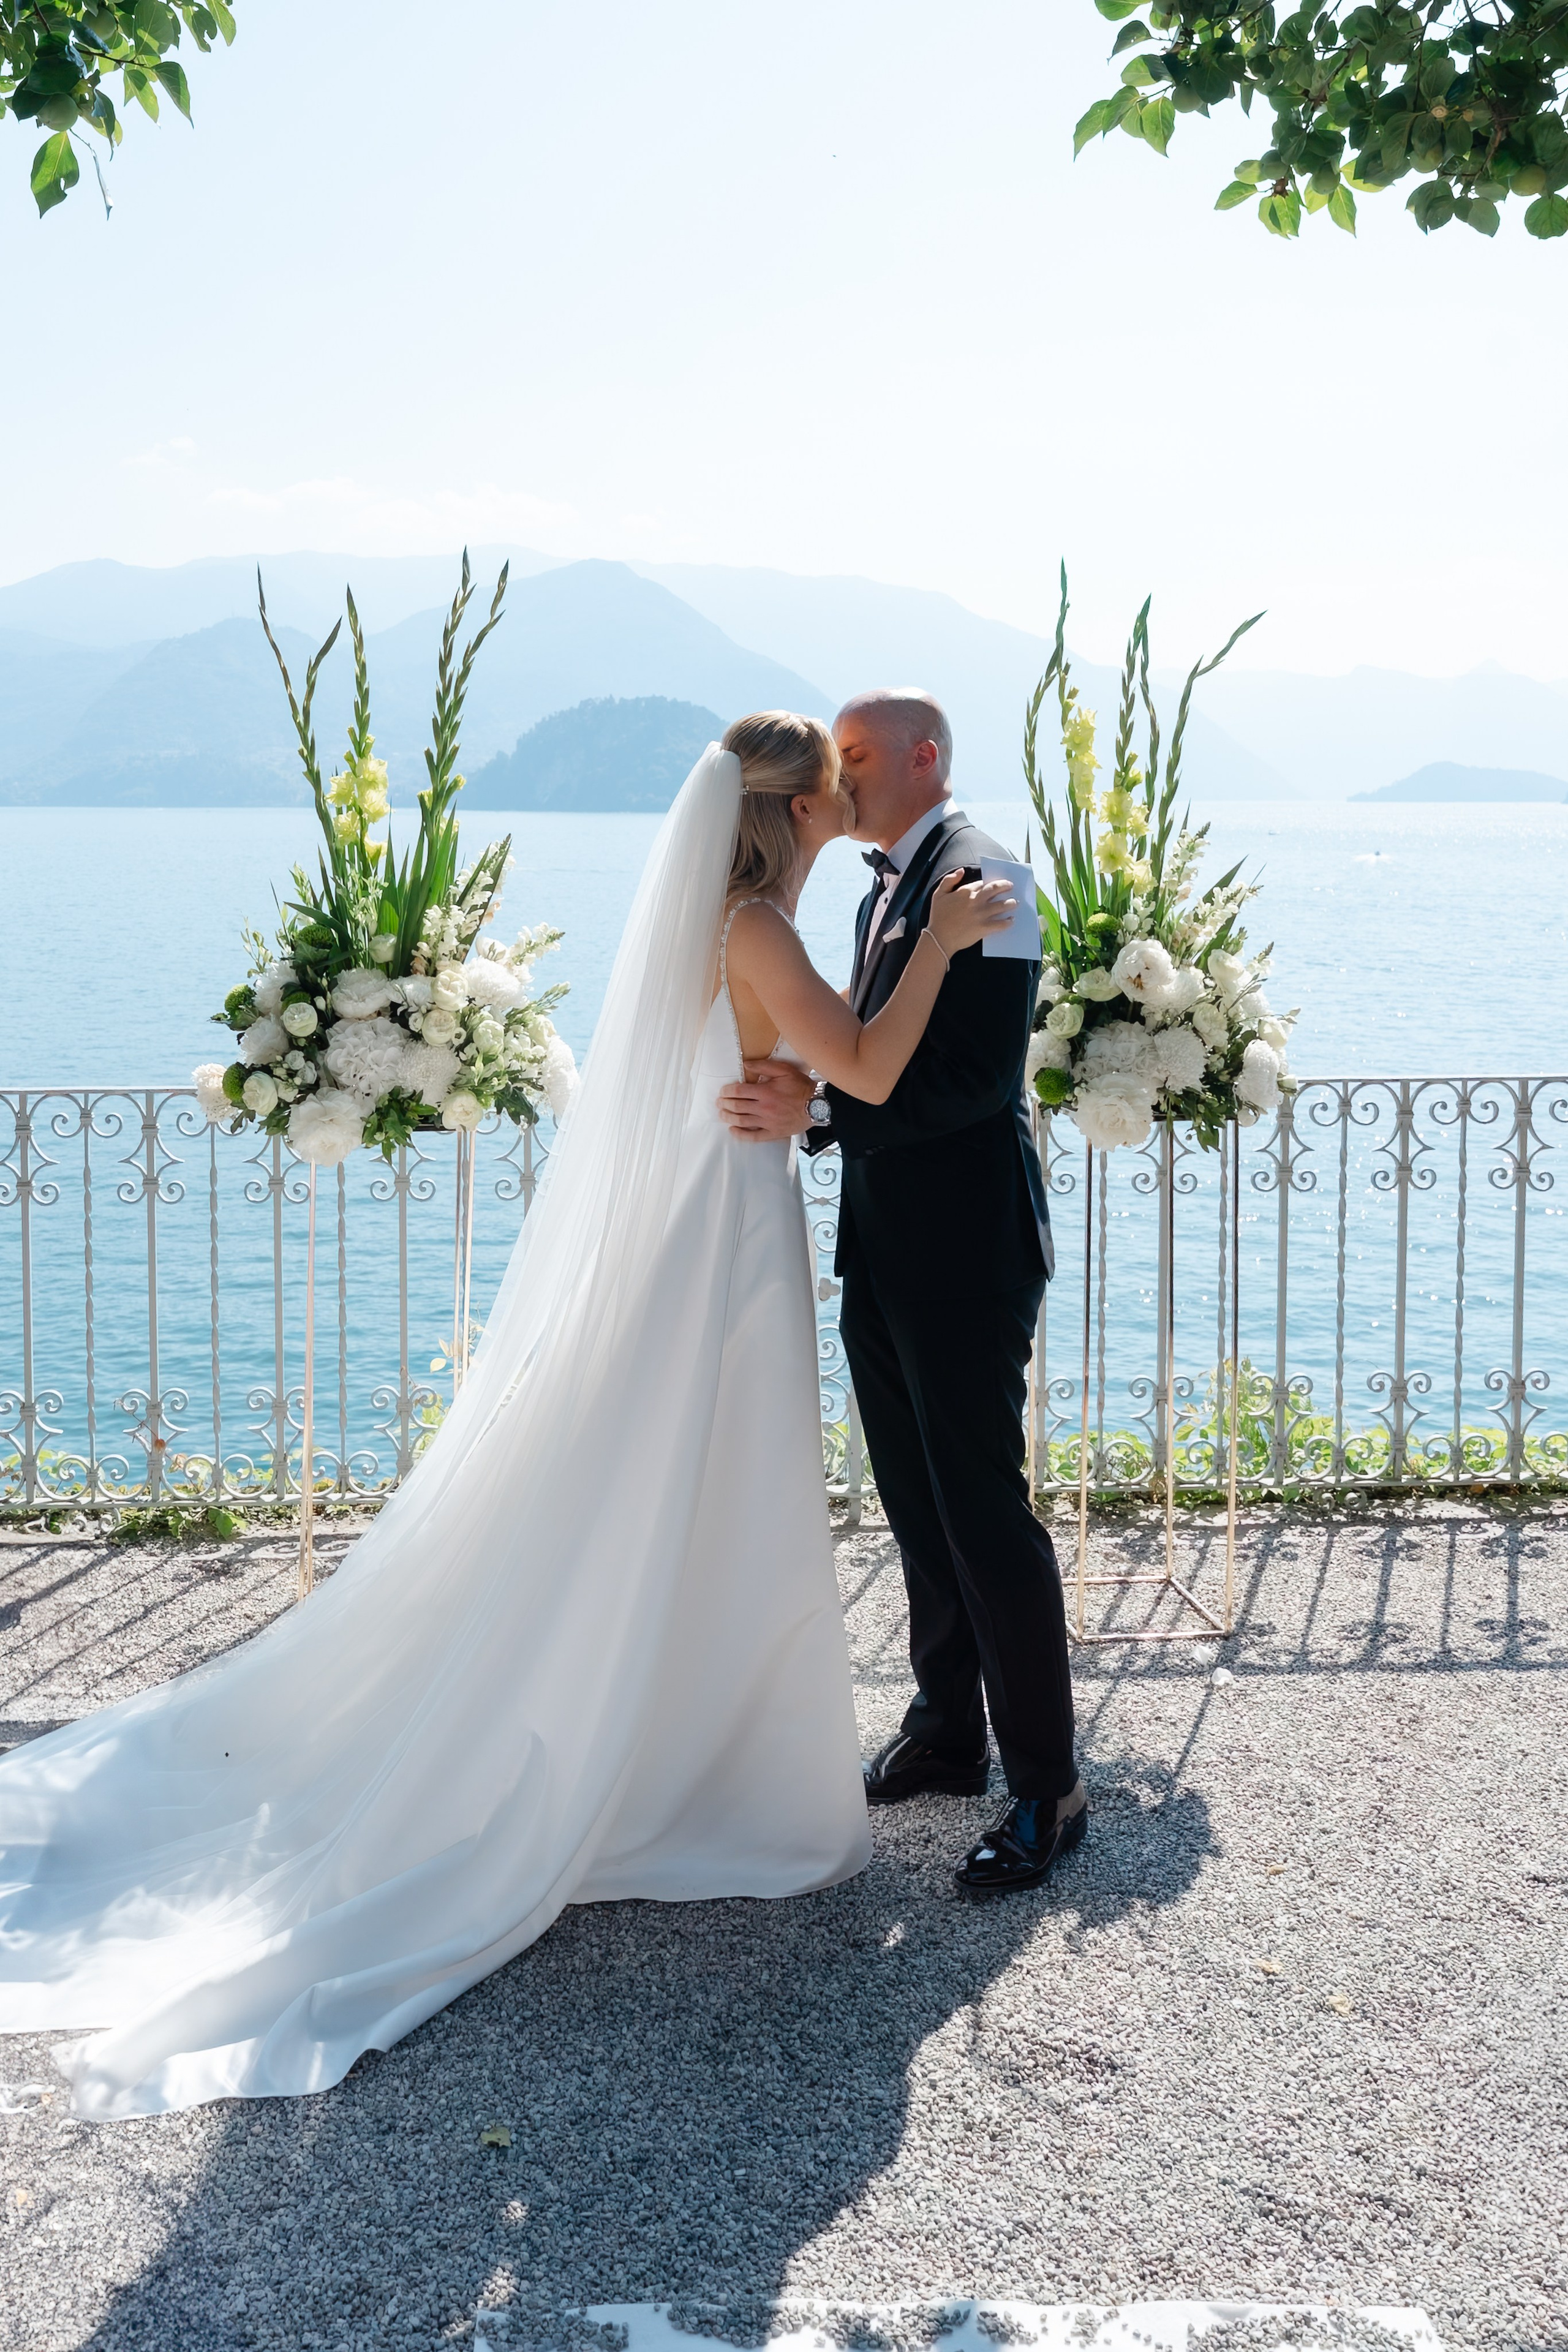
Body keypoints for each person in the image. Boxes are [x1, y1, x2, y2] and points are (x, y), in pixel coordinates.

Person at [0, 715, 1011, 2120]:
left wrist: (797, 1085)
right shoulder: (758, 927)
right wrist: (947, 950)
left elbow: (802, 1073)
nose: (852, 797)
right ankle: (689, 1766)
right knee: (699, 1482)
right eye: (832, 785)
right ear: (785, 814)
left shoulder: (741, 918)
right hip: (722, 1229)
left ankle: (677, 1740)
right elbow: (876, 1067)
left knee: (683, 1489)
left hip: (723, 1205)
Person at [720, 689, 1085, 1894]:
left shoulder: (989, 880)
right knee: (912, 1497)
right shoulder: (886, 885)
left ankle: (1047, 1787)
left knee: (981, 1508)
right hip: (882, 1240)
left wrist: (817, 1109)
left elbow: (974, 1084)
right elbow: (870, 1051)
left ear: (926, 758)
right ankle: (945, 1731)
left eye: (863, 754)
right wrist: (824, 1106)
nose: (842, 769)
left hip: (966, 1245)